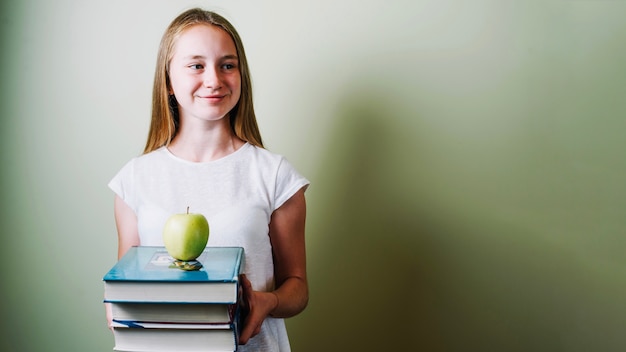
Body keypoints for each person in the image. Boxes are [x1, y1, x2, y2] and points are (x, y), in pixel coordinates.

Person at [106, 8, 309, 351]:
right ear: (169, 81)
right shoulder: (134, 180)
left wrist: (267, 302)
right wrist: (117, 310)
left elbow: (298, 287)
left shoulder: (275, 175)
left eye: (227, 65)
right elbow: (125, 286)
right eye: (196, 65)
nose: (214, 79)